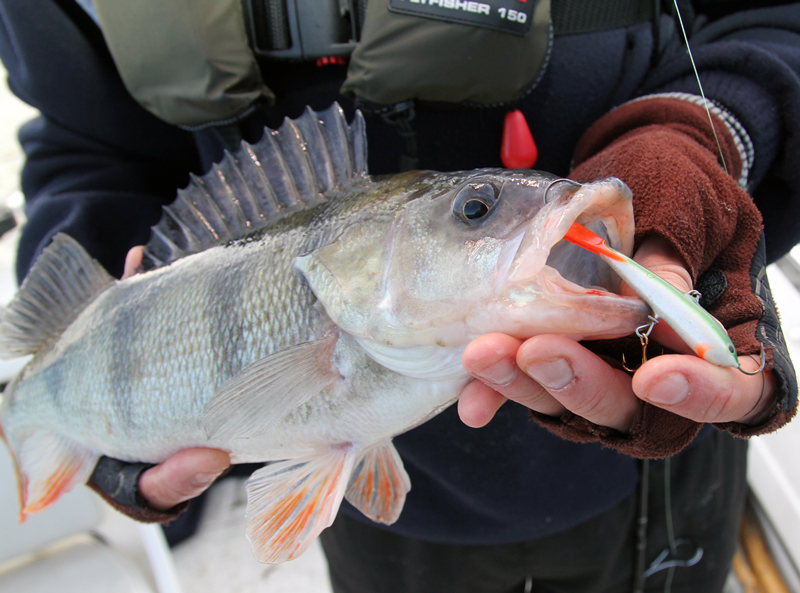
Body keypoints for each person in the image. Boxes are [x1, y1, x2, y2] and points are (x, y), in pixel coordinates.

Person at [1, 1, 798, 591]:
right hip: (383, 529)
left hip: (644, 476)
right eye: (475, 210)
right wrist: (94, 391)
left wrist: (699, 142)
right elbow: (83, 142)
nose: (496, 210)